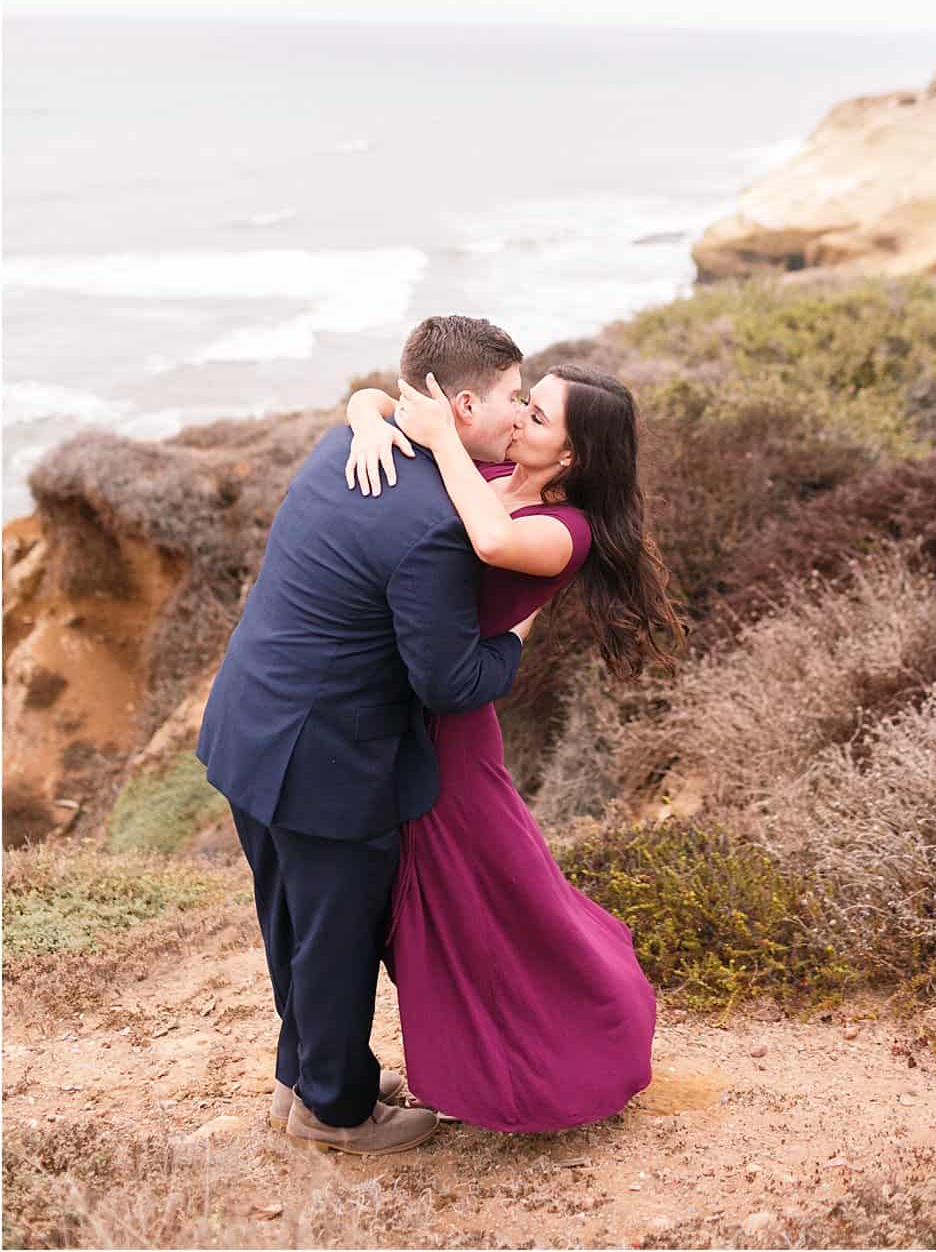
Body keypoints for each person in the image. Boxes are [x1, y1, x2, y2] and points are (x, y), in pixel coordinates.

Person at [196, 315, 535, 1156]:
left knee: (292, 920)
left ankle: (305, 1075)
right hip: (324, 758)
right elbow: (448, 682)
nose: (520, 414)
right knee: (336, 933)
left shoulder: (350, 442)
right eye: (512, 399)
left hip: (248, 723)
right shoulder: (431, 524)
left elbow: (373, 404)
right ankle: (336, 1111)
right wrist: (520, 634)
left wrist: (361, 406)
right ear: (461, 404)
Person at [345, 358, 685, 1132]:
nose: (519, 415)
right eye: (525, 402)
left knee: (497, 899)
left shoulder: (567, 532)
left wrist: (442, 444)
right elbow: (374, 390)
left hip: (455, 733)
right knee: (453, 903)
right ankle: (453, 1057)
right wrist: (372, 421)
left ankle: (577, 1051)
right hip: (403, 713)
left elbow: (493, 542)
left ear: (570, 458)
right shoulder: (492, 464)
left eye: (538, 416)